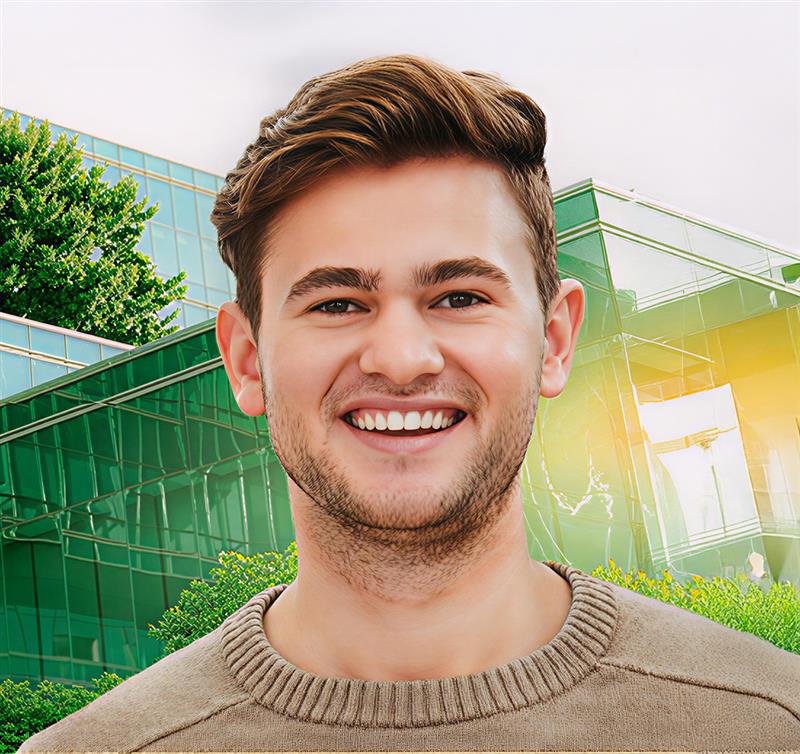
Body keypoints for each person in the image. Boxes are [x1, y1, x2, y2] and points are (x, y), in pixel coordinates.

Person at [19, 53, 799, 753]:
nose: (399, 359)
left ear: (554, 340)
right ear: (247, 362)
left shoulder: (772, 724)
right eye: (336, 303)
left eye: (459, 296)